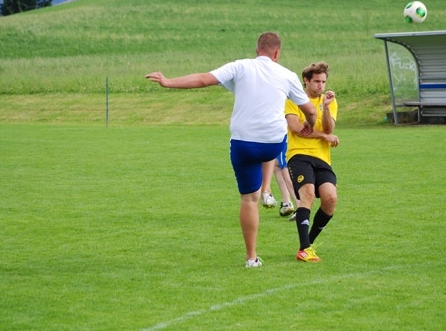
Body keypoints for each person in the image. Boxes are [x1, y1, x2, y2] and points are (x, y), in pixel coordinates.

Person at [145, 32, 317, 268]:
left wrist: (167, 82)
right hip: (273, 144)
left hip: (244, 143)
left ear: (256, 50)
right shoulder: (287, 74)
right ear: (277, 53)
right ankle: (268, 190)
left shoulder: (240, 66)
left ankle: (251, 257)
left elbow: (202, 79)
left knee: (248, 199)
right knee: (272, 149)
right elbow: (310, 110)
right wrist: (310, 124)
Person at [285, 61, 339, 262]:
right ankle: (304, 248)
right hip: (299, 155)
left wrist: (326, 107)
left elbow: (329, 129)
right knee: (307, 194)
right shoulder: (294, 99)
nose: (320, 86)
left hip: (322, 158)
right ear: (306, 81)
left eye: (323, 82)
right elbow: (297, 128)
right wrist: (323, 136)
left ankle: (308, 243)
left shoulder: (329, 101)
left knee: (330, 199)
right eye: (316, 81)